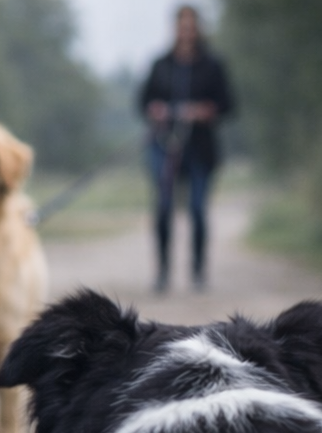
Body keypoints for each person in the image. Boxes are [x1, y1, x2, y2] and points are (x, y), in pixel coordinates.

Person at [139, 5, 234, 292]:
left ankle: (198, 272)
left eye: (191, 26)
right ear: (175, 28)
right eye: (182, 25)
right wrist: (155, 110)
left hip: (200, 148)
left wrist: (205, 111)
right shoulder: (161, 64)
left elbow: (228, 104)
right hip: (165, 145)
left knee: (197, 208)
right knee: (164, 207)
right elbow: (143, 101)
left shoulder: (213, 65)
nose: (187, 31)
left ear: (198, 29)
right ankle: (163, 272)